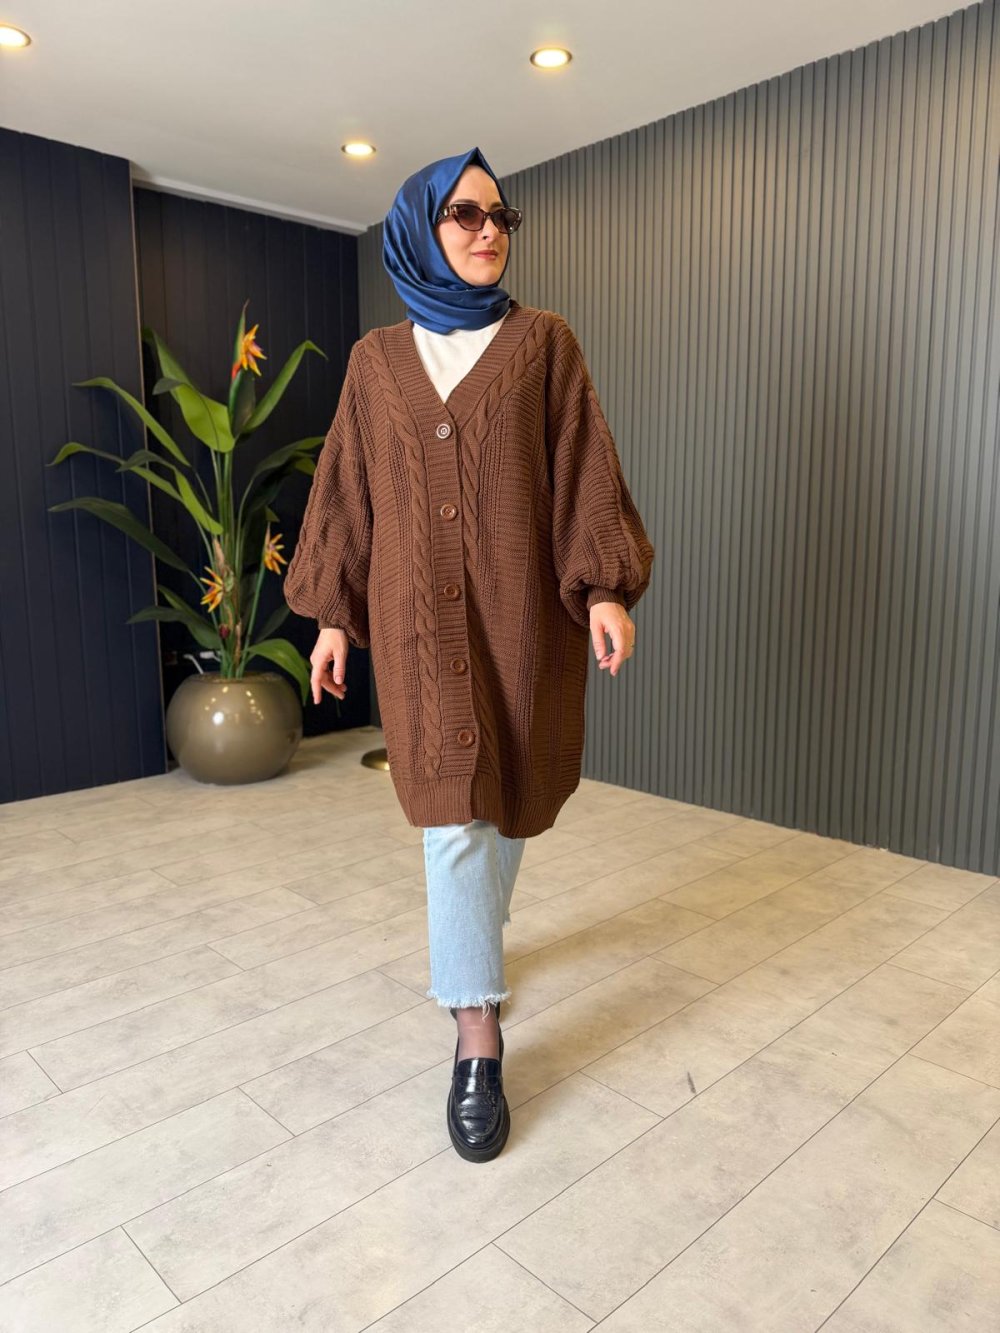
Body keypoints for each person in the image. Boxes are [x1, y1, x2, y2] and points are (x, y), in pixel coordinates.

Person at [284, 146, 655, 1162]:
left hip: (522, 622)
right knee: (453, 812)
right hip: (418, 630)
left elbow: (584, 471)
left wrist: (605, 589)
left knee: (512, 796)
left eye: (501, 217)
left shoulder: (544, 345)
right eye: (465, 214)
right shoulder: (375, 363)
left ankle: (474, 955)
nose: (490, 230)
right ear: (420, 227)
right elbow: (349, 492)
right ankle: (477, 1035)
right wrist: (332, 618)